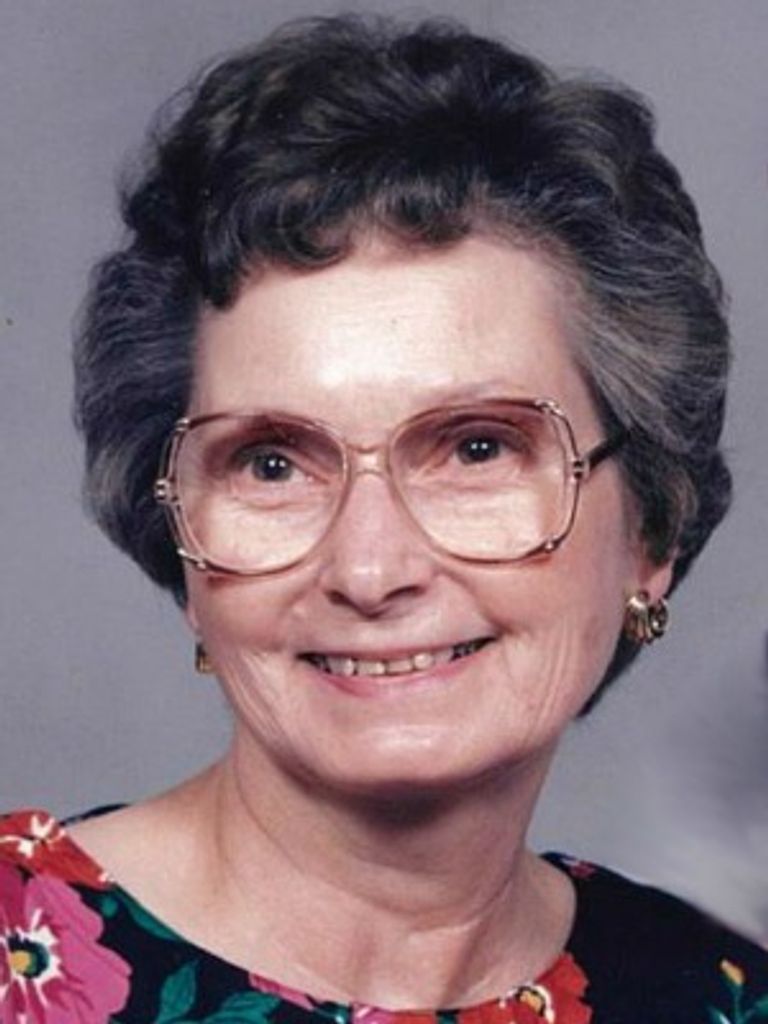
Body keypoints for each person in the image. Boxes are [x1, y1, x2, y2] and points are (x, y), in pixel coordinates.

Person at [1, 14, 766, 1023]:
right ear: (181, 543)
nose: (370, 569)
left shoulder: (724, 997)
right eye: (272, 463)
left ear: (651, 532)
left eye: (478, 448)